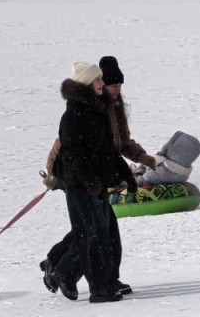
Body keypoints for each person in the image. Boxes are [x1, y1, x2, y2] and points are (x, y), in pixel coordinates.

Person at [40, 56, 154, 300]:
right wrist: (82, 179)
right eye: (100, 80)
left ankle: (103, 280)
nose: (106, 84)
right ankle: (83, 280)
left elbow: (111, 148)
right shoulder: (75, 115)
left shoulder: (100, 109)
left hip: (96, 182)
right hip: (79, 183)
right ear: (88, 83)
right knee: (89, 234)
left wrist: (128, 174)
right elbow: (71, 153)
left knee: (104, 233)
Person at [134, 131, 200, 186]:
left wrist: (125, 183)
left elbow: (141, 181)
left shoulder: (160, 172)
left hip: (143, 179)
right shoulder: (183, 175)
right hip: (153, 169)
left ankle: (136, 171)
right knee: (145, 166)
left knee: (143, 171)